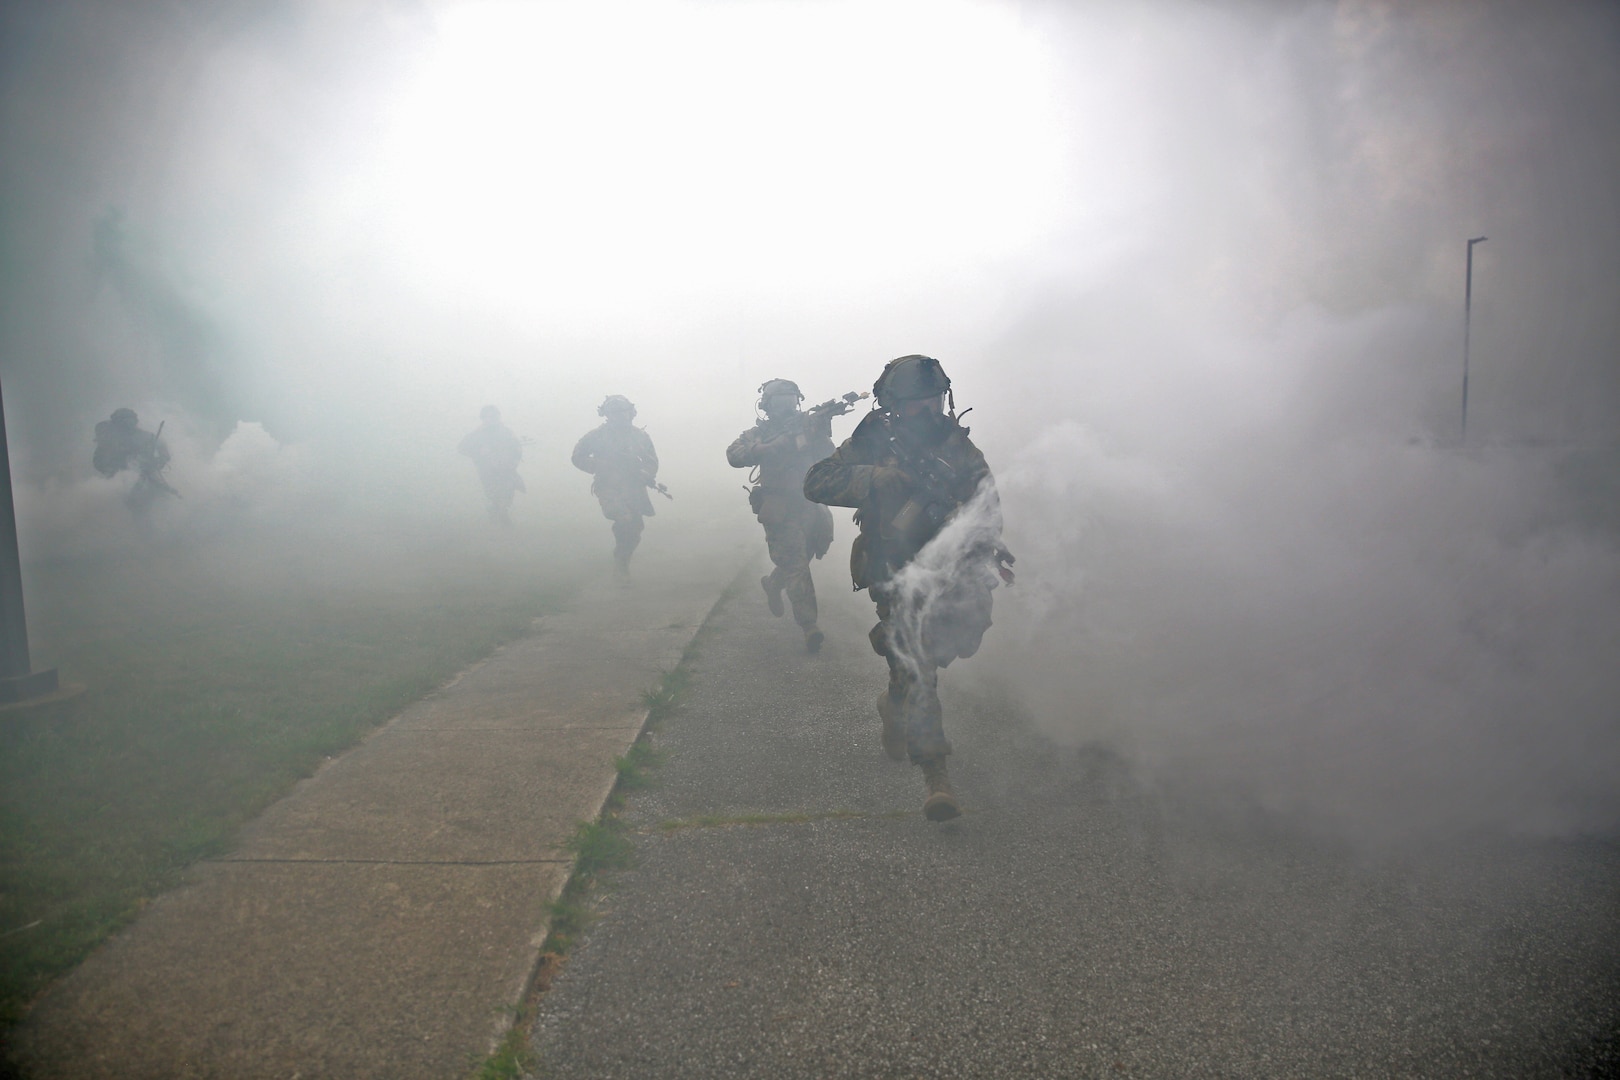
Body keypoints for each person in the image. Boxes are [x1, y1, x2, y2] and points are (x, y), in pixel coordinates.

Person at [804, 355, 1014, 821]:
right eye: (916, 403)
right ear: (895, 405)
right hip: (894, 567)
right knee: (921, 664)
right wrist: (875, 478)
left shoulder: (956, 444)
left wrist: (978, 536)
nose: (927, 410)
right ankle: (935, 774)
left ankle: (894, 699)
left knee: (958, 638)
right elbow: (816, 481)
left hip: (949, 568)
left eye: (933, 400)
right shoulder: (873, 438)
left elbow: (987, 499)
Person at [726, 379, 851, 653]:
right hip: (779, 506)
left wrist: (816, 436)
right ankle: (809, 626)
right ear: (766, 406)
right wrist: (765, 448)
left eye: (790, 400)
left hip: (810, 503)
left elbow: (831, 457)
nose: (786, 407)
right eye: (779, 401)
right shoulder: (757, 433)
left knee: (806, 555)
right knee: (796, 566)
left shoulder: (807, 427)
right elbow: (733, 454)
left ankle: (773, 584)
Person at [571, 395, 663, 577]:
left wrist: (646, 473)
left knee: (636, 527)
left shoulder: (640, 436)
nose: (619, 416)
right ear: (606, 414)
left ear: (631, 413)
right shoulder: (596, 436)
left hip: (634, 487)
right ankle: (621, 564)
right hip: (608, 486)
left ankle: (622, 556)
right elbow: (577, 457)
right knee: (623, 518)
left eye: (623, 412)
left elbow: (651, 460)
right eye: (614, 413)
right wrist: (600, 465)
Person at [93, 407, 176, 509]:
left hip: (147, 475)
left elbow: (164, 453)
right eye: (123, 422)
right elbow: (98, 461)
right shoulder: (109, 440)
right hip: (120, 479)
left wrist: (158, 461)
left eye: (129, 421)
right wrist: (113, 471)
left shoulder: (147, 436)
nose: (127, 425)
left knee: (161, 494)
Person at [458, 405, 525, 525]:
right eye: (489, 417)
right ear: (483, 419)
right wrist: (479, 451)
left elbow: (517, 448)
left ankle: (503, 512)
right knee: (493, 494)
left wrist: (513, 462)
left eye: (494, 416)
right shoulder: (477, 433)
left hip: (506, 469)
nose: (492, 419)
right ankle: (497, 514)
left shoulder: (507, 432)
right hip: (487, 471)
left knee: (508, 492)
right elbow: (462, 448)